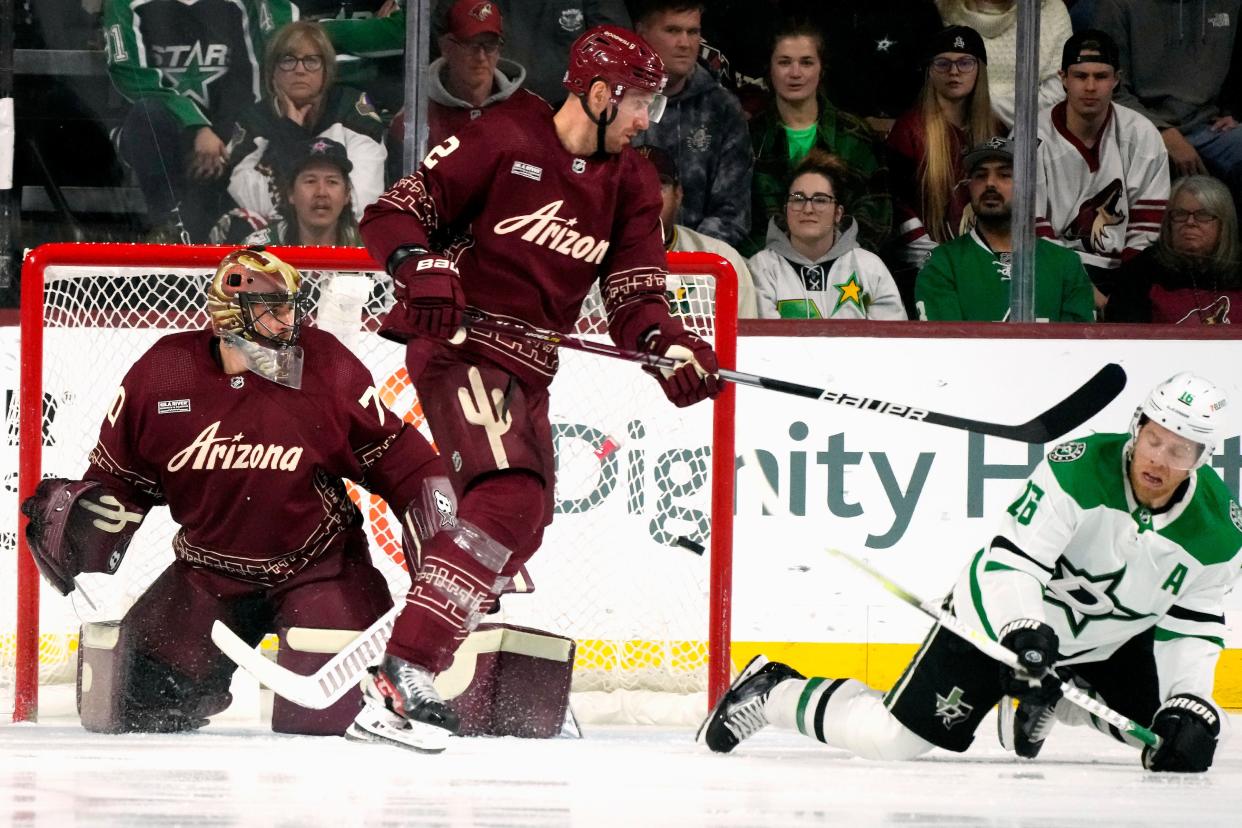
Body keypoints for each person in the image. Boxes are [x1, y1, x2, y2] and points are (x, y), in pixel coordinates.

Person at [348, 24, 721, 752]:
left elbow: (636, 301)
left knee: (526, 520)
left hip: (528, 365)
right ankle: (404, 669)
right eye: (642, 102)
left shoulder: (633, 183)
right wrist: (418, 266)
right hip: (459, 347)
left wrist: (666, 345)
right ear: (602, 93)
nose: (649, 120)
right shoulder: (502, 136)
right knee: (509, 494)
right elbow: (391, 214)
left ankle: (434, 606)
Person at [700, 371, 1240, 775]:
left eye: (1180, 450)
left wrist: (1191, 698)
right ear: (1136, 429)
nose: (1159, 460)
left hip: (1102, 646)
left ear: (1201, 459)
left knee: (1171, 740)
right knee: (889, 740)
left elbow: (1191, 629)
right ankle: (772, 692)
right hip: (997, 623)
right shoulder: (1077, 470)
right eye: (1154, 438)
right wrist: (1024, 630)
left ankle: (1050, 696)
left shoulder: (1220, 533)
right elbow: (1012, 562)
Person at [19, 248, 458, 736]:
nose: (290, 318)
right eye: (272, 306)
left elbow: (399, 457)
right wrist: (83, 515)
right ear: (229, 312)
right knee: (125, 703)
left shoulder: (324, 365)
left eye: (291, 304)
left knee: (334, 724)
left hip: (320, 568)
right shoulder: (163, 373)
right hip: (207, 573)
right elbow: (121, 482)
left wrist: (445, 526)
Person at [102, 0, 296, 241]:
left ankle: (225, 228)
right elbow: (130, 74)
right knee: (148, 115)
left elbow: (251, 80)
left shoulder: (242, 5)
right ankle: (168, 227)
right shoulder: (124, 3)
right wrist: (195, 125)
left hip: (225, 138)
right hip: (160, 136)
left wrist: (222, 138)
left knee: (254, 129)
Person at [1035, 29, 1169, 314]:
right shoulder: (1031, 134)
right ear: (1063, 79)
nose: (1091, 86)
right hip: (1049, 269)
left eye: (1101, 76)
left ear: (1116, 79)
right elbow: (1031, 227)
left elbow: (1146, 229)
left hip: (1123, 273)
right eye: (1081, 76)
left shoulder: (1142, 133)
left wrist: (1123, 298)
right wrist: (1088, 293)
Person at [745, 17, 891, 257]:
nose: (795, 73)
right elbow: (744, 221)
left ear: (821, 69)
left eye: (806, 62)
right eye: (784, 62)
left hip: (844, 270)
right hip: (766, 269)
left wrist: (828, 257)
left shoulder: (855, 136)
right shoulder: (748, 137)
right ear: (769, 70)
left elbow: (875, 216)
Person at [915, 137, 1095, 321]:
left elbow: (1078, 347)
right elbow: (946, 345)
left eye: (1005, 174)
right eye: (981, 175)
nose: (990, 183)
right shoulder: (942, 263)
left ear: (1029, 186)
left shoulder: (1066, 265)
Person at [227, 20, 387, 226]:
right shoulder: (254, 120)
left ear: (326, 70)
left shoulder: (352, 110)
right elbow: (251, 203)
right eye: (288, 60)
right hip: (276, 245)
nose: (300, 70)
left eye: (311, 60)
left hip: (344, 242)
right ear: (272, 71)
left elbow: (363, 201)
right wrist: (289, 134)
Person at [633, 1, 753, 250]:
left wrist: (686, 258)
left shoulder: (722, 108)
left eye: (693, 32)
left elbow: (733, 211)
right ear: (642, 33)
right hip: (615, 259)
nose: (685, 44)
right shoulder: (613, 101)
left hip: (699, 266)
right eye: (673, 31)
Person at [1092, 0, 1242, 199]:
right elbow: (1110, 89)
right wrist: (1161, 131)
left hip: (1209, 127)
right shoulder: (1117, 5)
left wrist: (1235, 112)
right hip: (1139, 126)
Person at [888, 25, 999, 268]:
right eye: (943, 63)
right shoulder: (909, 130)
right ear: (929, 71)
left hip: (984, 263)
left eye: (965, 63)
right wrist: (938, 259)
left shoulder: (996, 130)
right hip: (925, 266)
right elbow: (896, 203)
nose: (954, 72)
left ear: (980, 69)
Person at [748, 149, 906, 319]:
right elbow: (763, 342)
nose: (808, 209)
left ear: (838, 213)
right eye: (798, 198)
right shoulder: (761, 268)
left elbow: (891, 340)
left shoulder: (870, 268)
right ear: (786, 210)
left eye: (820, 200)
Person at [636, 145, 759, 319]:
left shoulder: (722, 258)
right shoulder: (594, 256)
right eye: (634, 188)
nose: (646, 200)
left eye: (657, 188)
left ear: (678, 194)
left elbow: (744, 340)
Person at [1107, 176, 1242, 323]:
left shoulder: (1238, 267)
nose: (1190, 222)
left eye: (1203, 215)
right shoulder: (1140, 271)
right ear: (1168, 223)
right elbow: (1125, 338)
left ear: (1223, 225)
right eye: (1180, 214)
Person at [420, 0, 551, 150]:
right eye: (471, 45)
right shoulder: (417, 118)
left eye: (490, 45)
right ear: (446, 47)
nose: (481, 56)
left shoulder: (532, 112)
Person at [936, 0, 1071, 128]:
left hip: (1034, 136)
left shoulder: (1052, 11)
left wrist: (982, 108)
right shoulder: (940, 9)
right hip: (949, 129)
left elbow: (1057, 94)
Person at [244, 137, 364, 246]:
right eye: (310, 181)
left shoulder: (372, 250)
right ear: (291, 193)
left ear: (347, 194)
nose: (321, 192)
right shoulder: (257, 250)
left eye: (332, 182)